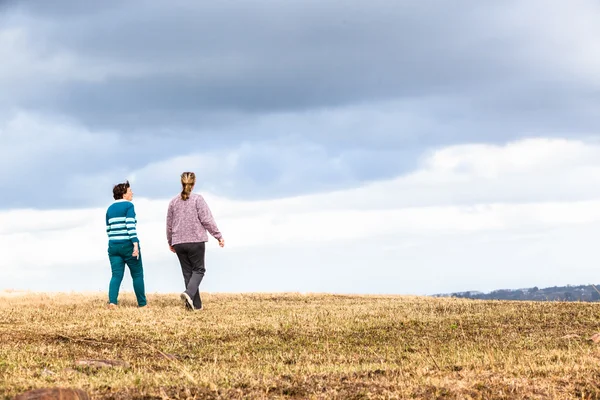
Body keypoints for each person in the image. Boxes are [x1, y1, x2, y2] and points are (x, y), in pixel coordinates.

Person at [166, 172, 225, 310]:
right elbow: (206, 220)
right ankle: (188, 293)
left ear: (182, 183)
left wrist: (170, 241)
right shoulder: (198, 199)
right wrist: (218, 236)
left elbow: (169, 225)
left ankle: (196, 306)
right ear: (194, 183)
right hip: (195, 240)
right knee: (199, 270)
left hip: (178, 242)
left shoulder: (173, 202)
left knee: (188, 273)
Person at [105, 181, 147, 309]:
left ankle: (112, 302)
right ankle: (142, 303)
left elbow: (108, 229)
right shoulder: (129, 206)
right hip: (128, 244)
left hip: (113, 245)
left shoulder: (109, 209)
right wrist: (135, 244)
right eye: (129, 191)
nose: (132, 193)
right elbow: (130, 225)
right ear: (123, 194)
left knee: (116, 275)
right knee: (137, 274)